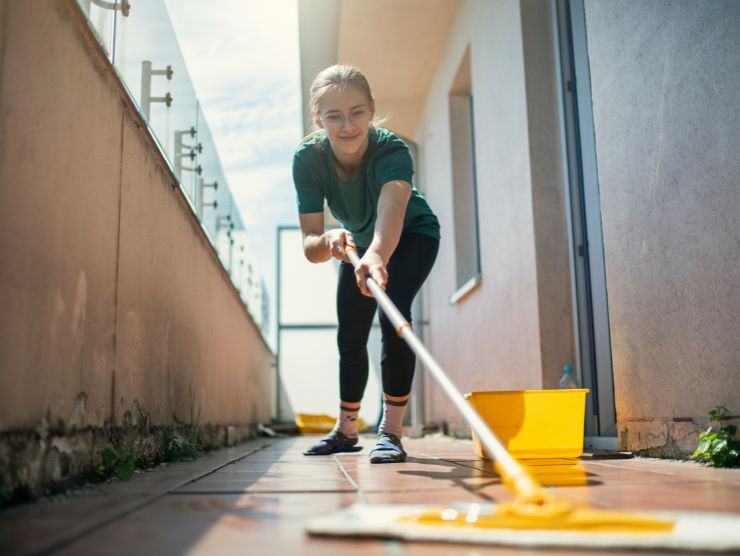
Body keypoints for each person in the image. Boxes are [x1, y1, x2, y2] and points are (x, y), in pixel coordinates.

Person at [291, 64, 440, 463]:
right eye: (333, 115)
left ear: (372, 109)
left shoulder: (392, 150)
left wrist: (377, 255)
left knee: (395, 316)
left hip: (411, 236)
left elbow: (392, 209)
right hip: (355, 243)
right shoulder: (308, 159)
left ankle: (391, 432)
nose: (346, 126)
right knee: (350, 335)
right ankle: (346, 429)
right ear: (317, 118)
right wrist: (329, 240)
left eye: (357, 112)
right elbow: (310, 245)